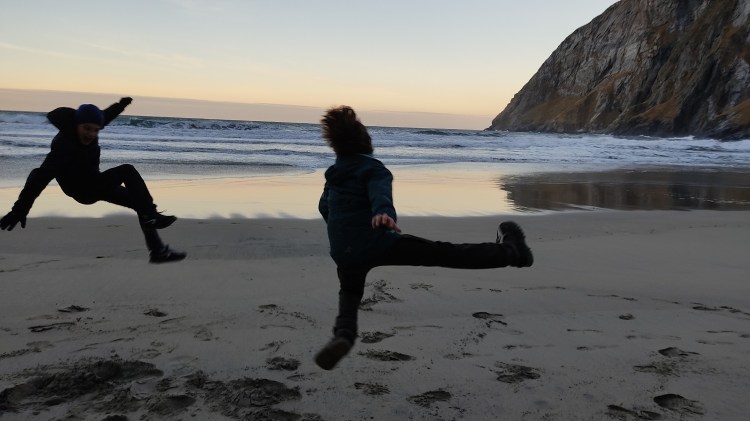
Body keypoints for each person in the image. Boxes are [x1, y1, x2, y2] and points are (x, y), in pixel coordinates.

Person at [314, 106, 534, 370]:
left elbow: (324, 207)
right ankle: (513, 253)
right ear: (366, 141)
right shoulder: (374, 169)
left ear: (335, 146)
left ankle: (344, 335)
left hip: (343, 250)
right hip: (377, 242)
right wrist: (384, 214)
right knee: (443, 253)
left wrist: (344, 231)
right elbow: (380, 195)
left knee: (350, 290)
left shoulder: (333, 174)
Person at [0, 97, 186, 263]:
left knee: (139, 202)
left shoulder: (92, 126)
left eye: (96, 130)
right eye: (87, 129)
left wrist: (120, 105)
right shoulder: (64, 145)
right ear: (77, 124)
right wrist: (19, 210)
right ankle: (151, 216)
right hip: (82, 190)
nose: (91, 134)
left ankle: (158, 251)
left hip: (96, 182)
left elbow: (106, 116)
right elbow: (40, 178)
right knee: (127, 171)